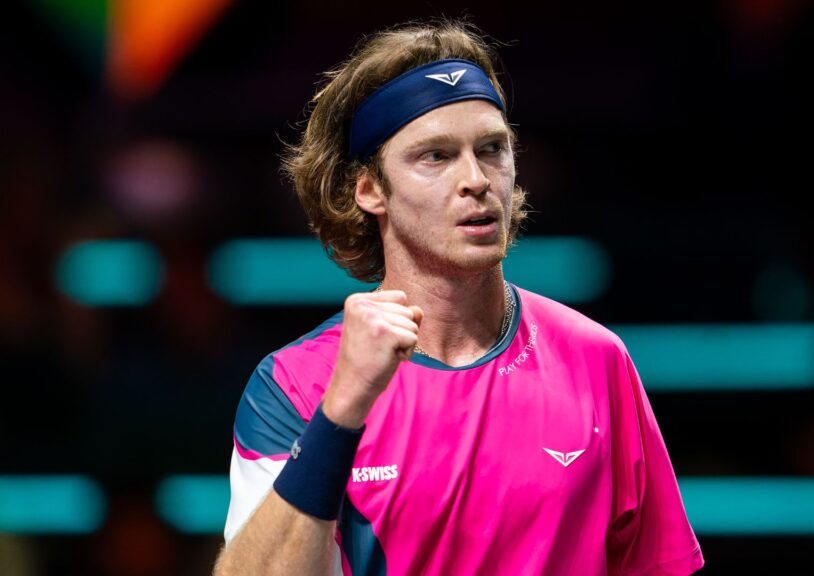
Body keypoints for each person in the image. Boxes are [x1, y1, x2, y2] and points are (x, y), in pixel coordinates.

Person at [213, 16, 704, 576]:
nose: (477, 179)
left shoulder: (596, 359)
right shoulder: (296, 384)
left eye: (493, 148)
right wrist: (342, 410)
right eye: (436, 156)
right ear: (369, 190)